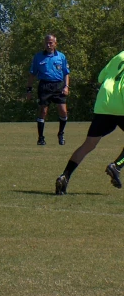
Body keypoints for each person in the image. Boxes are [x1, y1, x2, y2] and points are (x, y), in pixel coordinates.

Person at [55, 50, 124, 195]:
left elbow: (101, 77)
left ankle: (65, 176)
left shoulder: (118, 56)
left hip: (104, 102)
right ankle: (116, 166)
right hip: (121, 102)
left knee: (89, 144)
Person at [26, 34, 70, 146]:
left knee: (63, 111)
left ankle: (61, 134)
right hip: (44, 86)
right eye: (46, 42)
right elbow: (32, 74)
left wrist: (66, 86)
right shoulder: (38, 57)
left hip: (58, 86)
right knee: (43, 111)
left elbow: (66, 73)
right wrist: (29, 90)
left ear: (55, 43)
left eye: (51, 42)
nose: (48, 44)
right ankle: (41, 138)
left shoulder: (61, 56)